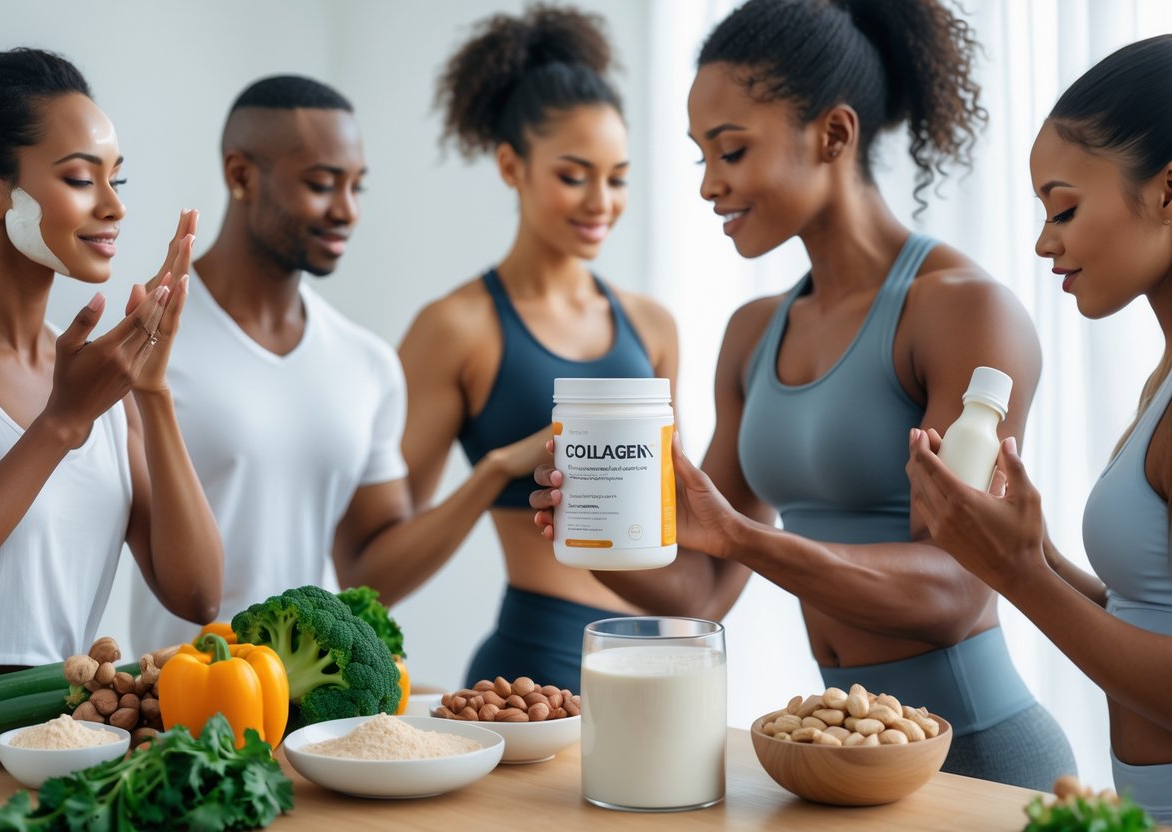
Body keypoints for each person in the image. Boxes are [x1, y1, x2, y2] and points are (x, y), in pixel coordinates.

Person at [534, 0, 1075, 789]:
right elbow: (704, 587)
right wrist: (588, 533)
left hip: (980, 758)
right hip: (844, 750)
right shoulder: (753, 332)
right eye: (700, 158)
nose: (710, 185)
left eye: (731, 150)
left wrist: (742, 537)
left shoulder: (961, 309)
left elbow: (958, 589)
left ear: (833, 134)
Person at [127, 75, 537, 658]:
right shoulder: (147, 347)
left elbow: (372, 575)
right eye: (321, 185)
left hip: (317, 719)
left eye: (356, 187)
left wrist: (492, 473)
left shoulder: (365, 363)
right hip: (179, 711)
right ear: (240, 175)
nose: (346, 211)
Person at [907, 34, 1172, 820]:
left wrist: (1020, 577)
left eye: (1063, 207)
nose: (1042, 240)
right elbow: (1144, 613)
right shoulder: (1161, 380)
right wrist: (1026, 554)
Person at [396, 5, 678, 690]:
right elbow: (372, 568)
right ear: (509, 165)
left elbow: (679, 516)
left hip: (665, 654)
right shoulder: (456, 327)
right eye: (573, 174)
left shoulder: (652, 324)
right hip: (537, 666)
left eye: (617, 177)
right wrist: (497, 469)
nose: (600, 202)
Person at [0, 48, 222, 680]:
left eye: (116, 179)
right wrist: (59, 426)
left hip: (59, 747)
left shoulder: (100, 381)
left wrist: (152, 393)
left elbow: (197, 597)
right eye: (81, 178)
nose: (114, 205)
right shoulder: (79, 397)